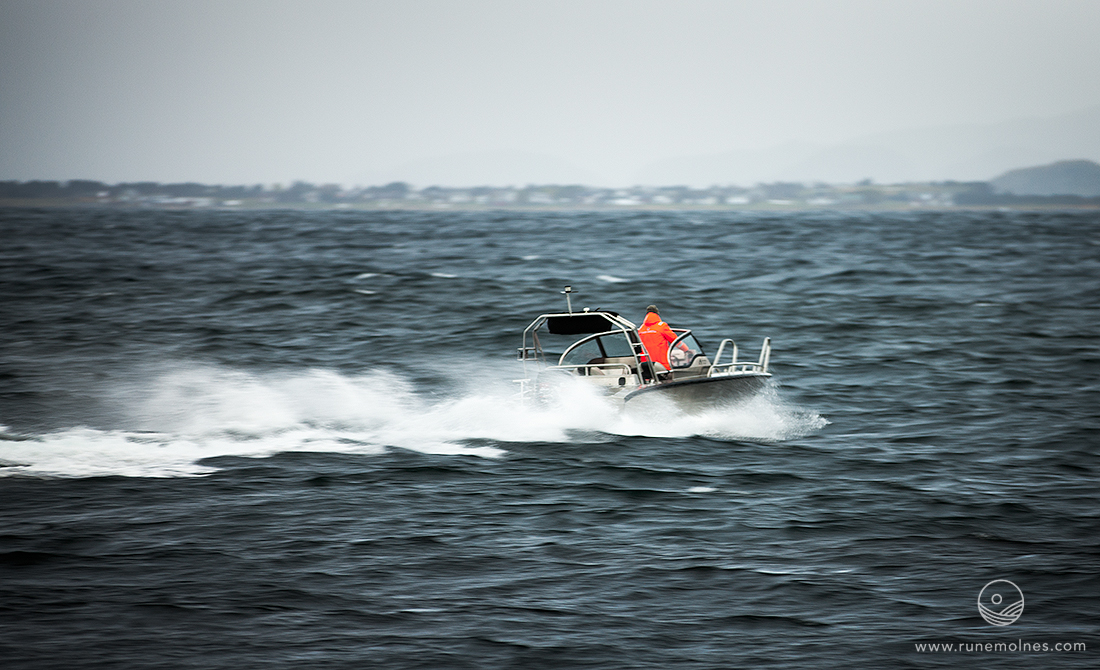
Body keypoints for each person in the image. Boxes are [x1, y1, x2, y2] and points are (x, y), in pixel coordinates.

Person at [638, 304, 686, 369]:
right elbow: (675, 340)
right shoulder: (662, 326)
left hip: (646, 365)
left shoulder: (641, 329)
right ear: (657, 314)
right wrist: (686, 350)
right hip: (661, 364)